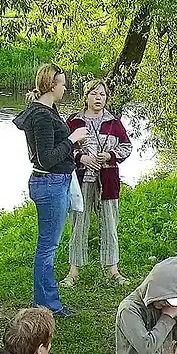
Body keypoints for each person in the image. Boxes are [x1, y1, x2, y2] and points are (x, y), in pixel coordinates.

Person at [13, 63, 89, 317]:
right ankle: (48, 305)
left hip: (55, 182)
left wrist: (72, 145)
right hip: (49, 183)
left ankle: (44, 300)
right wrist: (72, 139)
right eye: (62, 83)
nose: (65, 88)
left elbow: (52, 149)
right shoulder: (42, 116)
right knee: (47, 247)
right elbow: (46, 159)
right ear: (51, 85)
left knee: (48, 245)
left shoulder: (48, 110)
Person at [61, 79, 134, 288]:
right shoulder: (74, 121)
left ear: (106, 98)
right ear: (86, 97)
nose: (98, 98)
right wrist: (81, 158)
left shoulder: (113, 122)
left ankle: (113, 271)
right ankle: (74, 272)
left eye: (102, 94)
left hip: (108, 181)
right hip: (82, 180)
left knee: (110, 224)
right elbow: (64, 148)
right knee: (78, 224)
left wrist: (110, 155)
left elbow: (127, 147)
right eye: (94, 94)